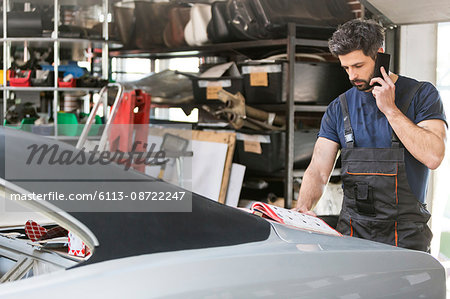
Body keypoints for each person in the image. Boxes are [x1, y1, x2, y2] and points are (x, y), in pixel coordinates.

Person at [294, 19, 447, 252]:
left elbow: (433, 156)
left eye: (358, 65)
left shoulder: (422, 95)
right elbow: (317, 169)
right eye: (346, 68)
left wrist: (390, 110)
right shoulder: (339, 107)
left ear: (380, 55)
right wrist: (302, 209)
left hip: (405, 239)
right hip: (353, 236)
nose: (351, 76)